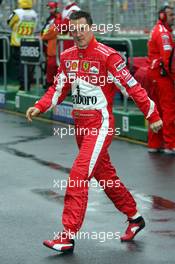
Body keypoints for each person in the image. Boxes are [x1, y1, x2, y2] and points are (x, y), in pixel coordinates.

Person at [26, 11, 163, 253]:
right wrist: (40, 106)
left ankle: (67, 235)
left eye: (82, 28)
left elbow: (132, 87)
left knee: (78, 175)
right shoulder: (67, 56)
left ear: (91, 28)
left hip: (100, 126)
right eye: (73, 29)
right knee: (105, 177)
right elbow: (58, 88)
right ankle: (134, 216)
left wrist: (152, 115)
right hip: (80, 127)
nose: (77, 34)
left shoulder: (108, 56)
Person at [147, 5, 175, 154]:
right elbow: (168, 60)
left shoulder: (156, 29)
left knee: (155, 110)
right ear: (163, 16)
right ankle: (170, 144)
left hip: (154, 75)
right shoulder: (164, 34)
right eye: (170, 15)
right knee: (168, 109)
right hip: (162, 76)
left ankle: (154, 143)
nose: (173, 18)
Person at [7, 0, 38, 91]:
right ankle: (27, 84)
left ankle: (23, 85)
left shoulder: (17, 13)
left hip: (18, 43)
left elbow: (9, 22)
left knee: (20, 65)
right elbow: (35, 26)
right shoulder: (34, 14)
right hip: (30, 43)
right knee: (28, 65)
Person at [41, 1, 62, 88]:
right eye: (49, 8)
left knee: (52, 66)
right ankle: (48, 83)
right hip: (48, 45)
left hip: (53, 46)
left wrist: (43, 37)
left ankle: (51, 84)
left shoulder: (57, 18)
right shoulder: (50, 18)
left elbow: (53, 31)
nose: (50, 10)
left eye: (51, 8)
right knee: (48, 65)